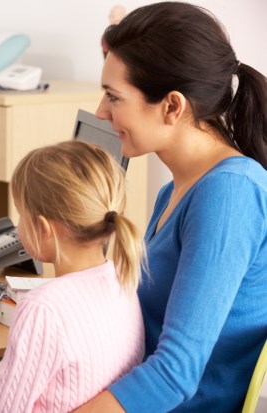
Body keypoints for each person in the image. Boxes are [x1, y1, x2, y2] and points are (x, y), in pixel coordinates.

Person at [74, 2, 267, 412]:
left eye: (113, 97)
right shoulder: (177, 189)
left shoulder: (229, 195)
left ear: (172, 106)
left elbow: (175, 374)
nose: (100, 112)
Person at [0, 140, 146, 413]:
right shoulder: (123, 278)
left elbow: (5, 409)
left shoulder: (44, 307)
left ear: (43, 228)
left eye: (21, 215)